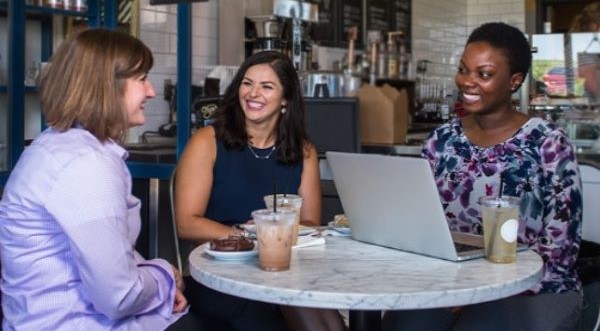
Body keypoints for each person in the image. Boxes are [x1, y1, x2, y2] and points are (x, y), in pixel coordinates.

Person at [382, 22, 583, 331]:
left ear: (514, 81)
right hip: (452, 283)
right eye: (464, 70)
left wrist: (479, 291)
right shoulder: (441, 140)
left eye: (484, 74)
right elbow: (422, 221)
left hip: (537, 288)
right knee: (401, 324)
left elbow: (560, 251)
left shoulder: (548, 143)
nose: (468, 82)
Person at [0, 28, 188, 330]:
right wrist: (166, 274)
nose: (151, 91)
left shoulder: (57, 144)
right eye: (141, 79)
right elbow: (119, 297)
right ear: (106, 87)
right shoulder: (86, 165)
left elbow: (109, 255)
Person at [175, 50, 346, 331]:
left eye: (267, 86)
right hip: (223, 273)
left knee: (325, 316)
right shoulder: (207, 142)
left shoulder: (303, 151)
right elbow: (187, 224)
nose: (253, 93)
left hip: (285, 270)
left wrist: (273, 240)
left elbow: (312, 224)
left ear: (285, 99)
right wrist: (252, 235)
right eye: (247, 83)